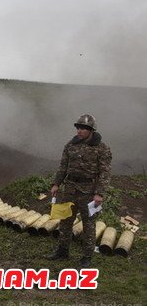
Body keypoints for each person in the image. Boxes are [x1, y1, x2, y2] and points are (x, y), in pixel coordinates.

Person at [46, 114, 112, 268]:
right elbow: (63, 166)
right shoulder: (70, 145)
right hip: (70, 188)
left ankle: (87, 257)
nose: (79, 131)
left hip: (89, 191)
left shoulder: (101, 148)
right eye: (78, 127)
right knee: (65, 220)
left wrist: (99, 193)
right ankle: (62, 251)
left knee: (89, 224)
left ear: (91, 130)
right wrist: (56, 183)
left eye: (83, 128)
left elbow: (105, 173)